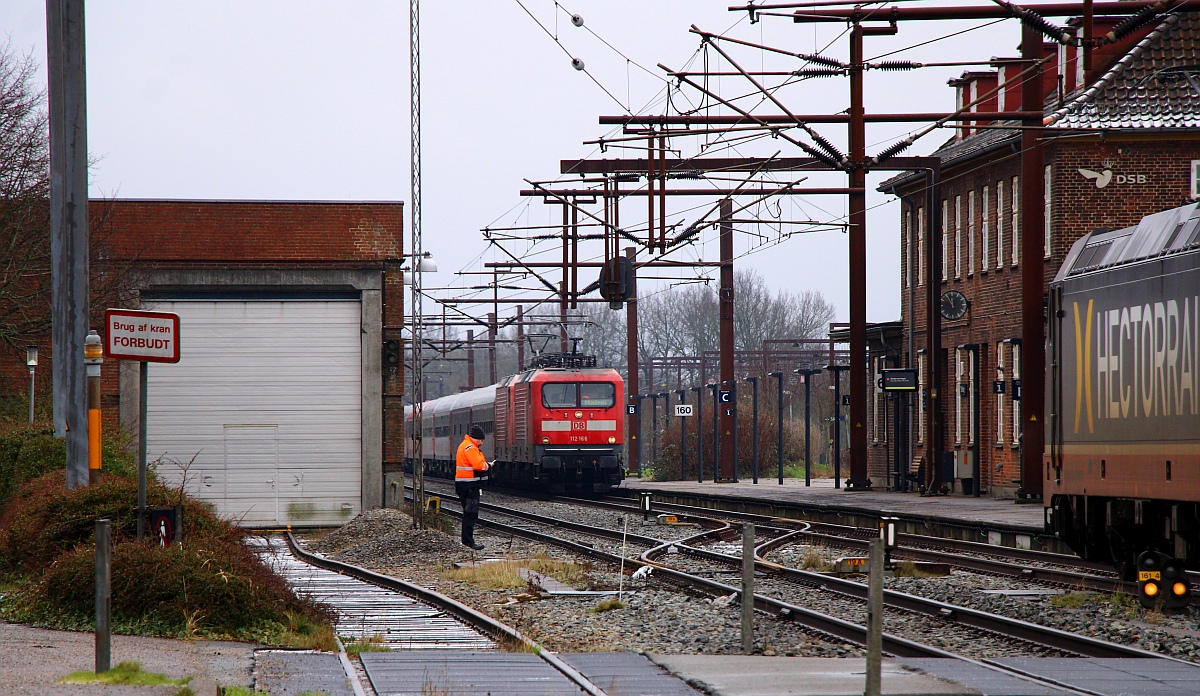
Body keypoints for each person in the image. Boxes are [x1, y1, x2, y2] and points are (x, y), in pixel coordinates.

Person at [455, 424, 490, 550]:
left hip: (466, 485)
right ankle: (468, 542)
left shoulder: (466, 446)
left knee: (469, 513)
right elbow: (479, 465)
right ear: (477, 438)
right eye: (481, 440)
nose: (482, 442)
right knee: (470, 514)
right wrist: (488, 466)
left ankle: (467, 541)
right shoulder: (470, 448)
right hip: (469, 486)